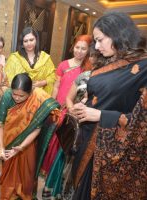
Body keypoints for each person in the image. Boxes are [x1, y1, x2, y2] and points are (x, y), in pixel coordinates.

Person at [69, 12, 147, 199]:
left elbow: (142, 123)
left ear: (118, 34)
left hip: (113, 157)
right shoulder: (110, 60)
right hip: (89, 142)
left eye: (100, 40)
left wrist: (101, 116)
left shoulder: (143, 68)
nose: (96, 46)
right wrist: (85, 104)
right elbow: (105, 95)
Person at [41, 35, 92, 198]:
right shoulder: (63, 65)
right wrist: (54, 105)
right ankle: (47, 170)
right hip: (60, 108)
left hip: (74, 113)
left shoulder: (88, 69)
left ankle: (56, 176)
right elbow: (56, 86)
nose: (79, 51)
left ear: (89, 50)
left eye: (84, 49)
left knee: (65, 142)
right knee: (52, 139)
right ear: (73, 47)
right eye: (77, 47)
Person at [0, 73, 60, 200]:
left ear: (30, 93)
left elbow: (37, 128)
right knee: (9, 170)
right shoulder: (7, 96)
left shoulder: (38, 98)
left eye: (22, 96)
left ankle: (24, 193)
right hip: (9, 138)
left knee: (27, 171)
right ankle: (10, 193)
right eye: (15, 94)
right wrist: (2, 148)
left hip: (28, 141)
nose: (17, 98)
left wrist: (21, 146)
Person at [5, 27, 56, 95]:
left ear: (36, 40)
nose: (29, 43)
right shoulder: (14, 58)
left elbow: (52, 76)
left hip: (39, 98)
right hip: (19, 98)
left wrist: (42, 83)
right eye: (25, 41)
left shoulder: (45, 58)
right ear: (22, 43)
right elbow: (8, 79)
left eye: (31, 40)